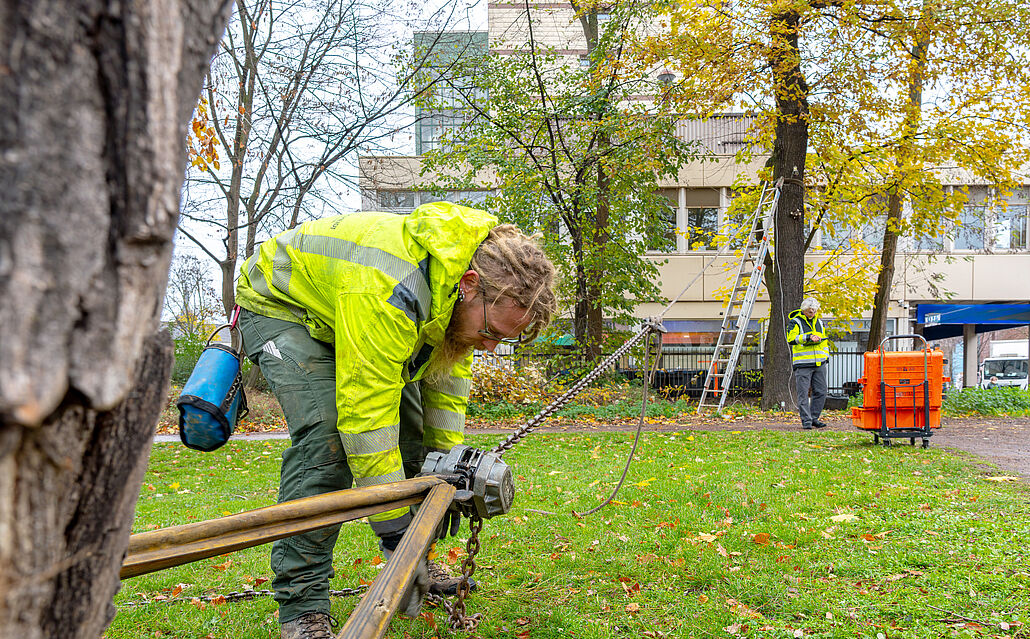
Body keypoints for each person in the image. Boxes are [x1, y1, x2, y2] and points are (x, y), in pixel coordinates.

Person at [235, 202, 557, 639]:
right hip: (283, 308)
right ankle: (303, 607)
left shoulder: (454, 292)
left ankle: (418, 554)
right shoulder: (393, 287)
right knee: (327, 442)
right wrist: (396, 541)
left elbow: (443, 400)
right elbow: (366, 420)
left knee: (413, 438)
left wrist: (446, 472)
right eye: (491, 333)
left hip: (354, 312)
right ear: (470, 285)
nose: (490, 348)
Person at [786, 297, 829, 430]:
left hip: (819, 363)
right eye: (810, 311)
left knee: (821, 391)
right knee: (803, 393)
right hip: (803, 363)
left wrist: (826, 357)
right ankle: (806, 421)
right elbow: (791, 338)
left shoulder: (819, 322)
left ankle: (814, 418)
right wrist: (807, 337)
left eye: (815, 311)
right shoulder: (795, 322)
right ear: (804, 310)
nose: (813, 313)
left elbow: (824, 341)